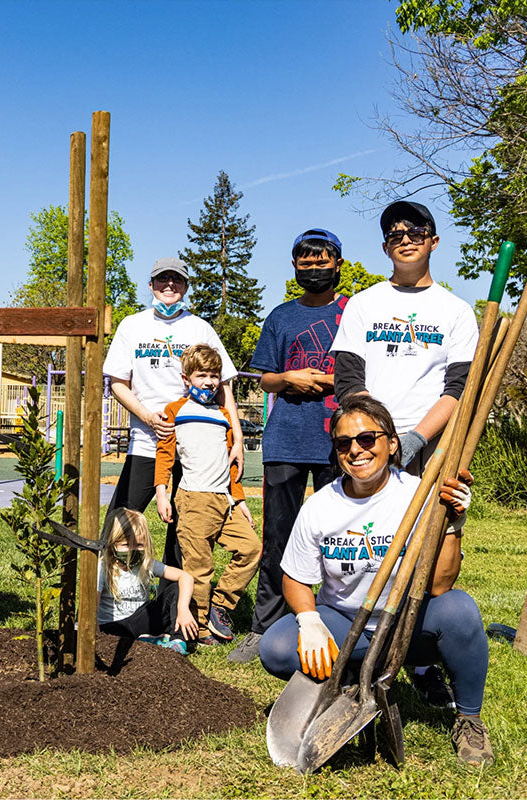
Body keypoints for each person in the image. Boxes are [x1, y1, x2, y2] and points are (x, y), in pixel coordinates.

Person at [256, 393, 493, 766]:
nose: (356, 450)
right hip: (345, 619)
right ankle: (351, 675)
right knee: (277, 647)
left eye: (368, 439)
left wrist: (454, 524)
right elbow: (296, 578)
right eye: (344, 443)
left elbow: (440, 585)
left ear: (392, 443)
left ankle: (469, 719)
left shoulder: (419, 495)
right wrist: (310, 620)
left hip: (407, 623)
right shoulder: (320, 506)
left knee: (459, 611)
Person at [229, 229, 348, 663]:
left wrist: (328, 380)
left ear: (337, 263)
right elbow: (264, 377)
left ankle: (336, 617)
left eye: (322, 261)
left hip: (341, 441)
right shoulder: (280, 317)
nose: (313, 268)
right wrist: (290, 379)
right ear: (295, 266)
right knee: (278, 536)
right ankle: (265, 628)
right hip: (286, 441)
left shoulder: (353, 314)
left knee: (341, 536)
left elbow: (364, 373)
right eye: (305, 261)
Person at [102, 257, 243, 569]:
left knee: (183, 534)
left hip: (194, 449)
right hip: (147, 443)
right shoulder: (132, 325)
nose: (169, 285)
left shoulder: (200, 328)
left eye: (176, 280)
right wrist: (149, 417)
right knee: (120, 522)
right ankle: (108, 601)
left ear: (185, 287)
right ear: (151, 285)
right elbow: (118, 383)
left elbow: (224, 387)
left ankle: (174, 613)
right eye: (162, 279)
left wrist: (238, 439)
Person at [330, 201, 477, 476]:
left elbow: (458, 389)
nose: (406, 240)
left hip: (433, 443)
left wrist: (416, 438)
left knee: (430, 519)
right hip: (368, 442)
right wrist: (378, 435)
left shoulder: (458, 311)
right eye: (395, 236)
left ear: (433, 242)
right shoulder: (362, 304)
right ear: (385, 248)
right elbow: (348, 379)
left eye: (416, 233)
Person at [154, 344, 261, 647]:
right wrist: (162, 493)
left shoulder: (224, 414)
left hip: (224, 501)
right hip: (194, 500)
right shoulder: (176, 411)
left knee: (252, 549)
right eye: (202, 375)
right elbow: (164, 456)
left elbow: (232, 465)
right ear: (186, 378)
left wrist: (239, 501)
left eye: (214, 375)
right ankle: (199, 629)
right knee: (199, 567)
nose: (210, 382)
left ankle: (220, 606)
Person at [98, 508, 200, 654]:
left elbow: (186, 577)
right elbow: (91, 607)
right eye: (126, 545)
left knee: (176, 589)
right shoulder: (102, 568)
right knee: (127, 626)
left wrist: (183, 608)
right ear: (112, 542)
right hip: (113, 628)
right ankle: (147, 639)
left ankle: (178, 641)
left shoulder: (145, 564)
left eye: (139, 545)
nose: (133, 551)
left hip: (141, 621)